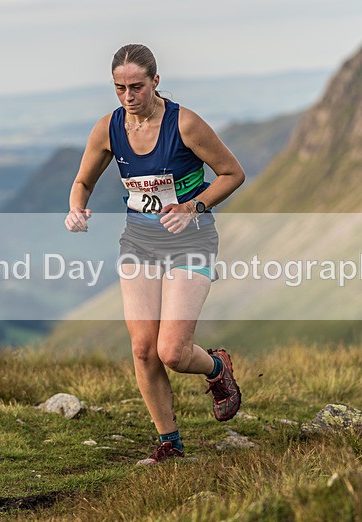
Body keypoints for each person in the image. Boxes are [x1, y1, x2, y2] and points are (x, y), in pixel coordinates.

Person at [64, 44, 245, 465]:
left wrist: (191, 206)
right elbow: (82, 182)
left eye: (137, 87)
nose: (129, 96)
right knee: (143, 349)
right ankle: (171, 444)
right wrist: (76, 209)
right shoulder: (108, 129)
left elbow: (233, 173)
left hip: (191, 240)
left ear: (155, 82)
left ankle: (217, 369)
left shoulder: (185, 124)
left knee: (173, 352)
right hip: (140, 243)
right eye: (120, 88)